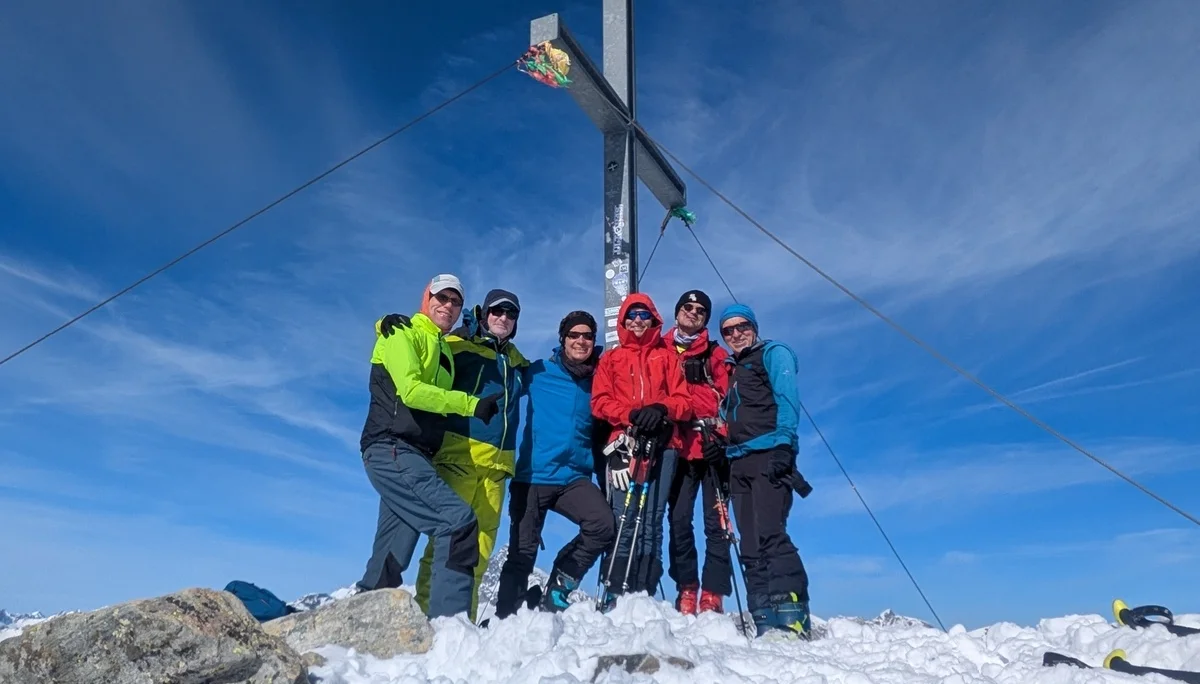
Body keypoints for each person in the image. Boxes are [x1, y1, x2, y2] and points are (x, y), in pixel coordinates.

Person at [355, 273, 503, 620]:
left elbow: (468, 337)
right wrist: (471, 404)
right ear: (427, 298)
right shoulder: (401, 332)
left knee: (395, 548)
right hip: (392, 448)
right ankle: (450, 626)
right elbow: (410, 390)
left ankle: (363, 621)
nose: (448, 306)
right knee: (459, 523)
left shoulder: (444, 349)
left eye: (456, 302)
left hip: (416, 455)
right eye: (442, 298)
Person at [395, 289, 530, 623]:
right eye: (497, 311)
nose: (503, 318)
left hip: (497, 468)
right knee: (450, 544)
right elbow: (422, 354)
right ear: (483, 314)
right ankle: (428, 618)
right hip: (460, 457)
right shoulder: (458, 345)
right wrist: (390, 324)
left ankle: (462, 624)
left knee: (481, 551)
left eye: (510, 314)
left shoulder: (516, 361)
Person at [493, 311, 615, 619]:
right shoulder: (537, 372)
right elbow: (502, 386)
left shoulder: (599, 381)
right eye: (574, 335)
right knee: (522, 553)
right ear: (562, 339)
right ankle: (505, 619)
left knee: (602, 525)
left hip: (574, 478)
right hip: (533, 476)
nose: (581, 341)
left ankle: (561, 582)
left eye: (587, 336)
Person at [714, 302, 811, 637]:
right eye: (729, 330)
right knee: (750, 543)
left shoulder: (774, 353)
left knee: (771, 532)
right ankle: (763, 617)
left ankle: (792, 614)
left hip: (770, 453)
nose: (736, 334)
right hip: (738, 461)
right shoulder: (734, 370)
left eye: (742, 327)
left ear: (754, 327)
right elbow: (733, 414)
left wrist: (784, 444)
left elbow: (787, 398)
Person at [590, 293, 692, 609]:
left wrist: (662, 408)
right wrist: (631, 414)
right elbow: (599, 402)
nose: (637, 321)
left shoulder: (668, 357)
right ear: (623, 321)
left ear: (653, 319)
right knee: (624, 517)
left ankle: (643, 590)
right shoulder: (611, 359)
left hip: (664, 444)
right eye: (631, 315)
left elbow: (684, 402)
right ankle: (614, 587)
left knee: (652, 518)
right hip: (625, 444)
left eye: (643, 315)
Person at [661, 289, 733, 616]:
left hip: (712, 446)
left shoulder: (715, 354)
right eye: (687, 307)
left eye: (701, 310)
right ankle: (687, 588)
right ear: (677, 312)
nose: (693, 313)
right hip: (677, 447)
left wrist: (724, 437)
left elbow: (732, 401)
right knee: (678, 520)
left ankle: (713, 594)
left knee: (716, 523)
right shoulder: (658, 350)